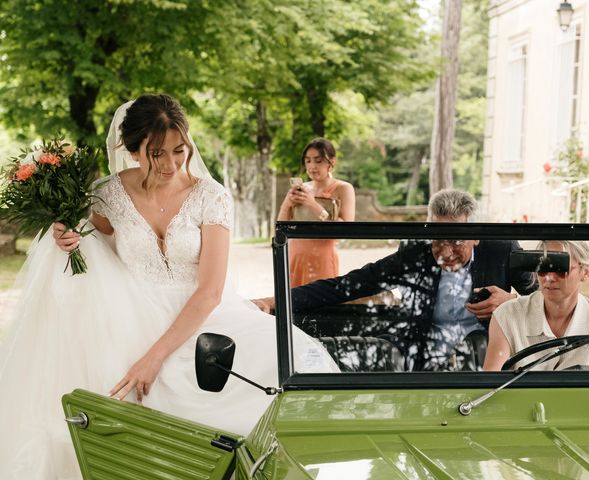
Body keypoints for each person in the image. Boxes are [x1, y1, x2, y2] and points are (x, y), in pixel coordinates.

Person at [0, 94, 337, 479]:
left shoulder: (212, 197)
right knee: (105, 394)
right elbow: (94, 238)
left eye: (180, 150)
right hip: (129, 312)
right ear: (131, 149)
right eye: (156, 153)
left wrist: (154, 356)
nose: (171, 163)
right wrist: (68, 236)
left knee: (286, 366)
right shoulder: (108, 193)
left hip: (204, 316)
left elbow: (210, 290)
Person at [254, 189, 538, 370]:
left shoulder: (503, 249)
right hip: (420, 353)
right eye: (437, 241)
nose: (446, 252)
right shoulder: (415, 252)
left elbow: (542, 299)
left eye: (456, 241)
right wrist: (276, 301)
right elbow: (351, 284)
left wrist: (511, 301)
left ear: (477, 235)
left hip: (485, 356)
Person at [483, 240, 589, 371]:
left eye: (560, 269)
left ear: (585, 272)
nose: (549, 278)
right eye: (542, 267)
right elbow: (490, 388)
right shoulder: (507, 316)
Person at [277, 138, 355, 287]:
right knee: (292, 304)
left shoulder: (343, 188)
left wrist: (313, 205)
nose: (312, 166)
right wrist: (288, 203)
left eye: (318, 161)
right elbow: (281, 226)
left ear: (331, 162)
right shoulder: (303, 189)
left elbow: (346, 229)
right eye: (308, 161)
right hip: (295, 255)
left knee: (322, 301)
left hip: (323, 257)